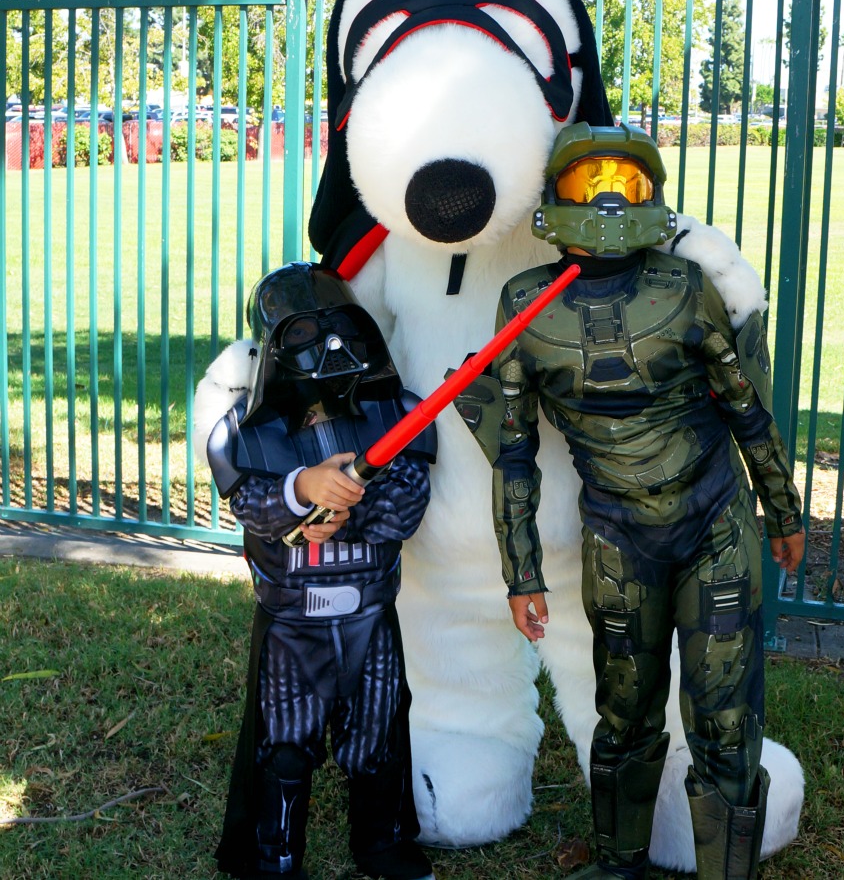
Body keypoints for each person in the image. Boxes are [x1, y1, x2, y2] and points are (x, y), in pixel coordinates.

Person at [455, 123, 805, 880]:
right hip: (619, 535)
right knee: (626, 712)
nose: (608, 198)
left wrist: (782, 510)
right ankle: (618, 865)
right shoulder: (522, 306)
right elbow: (512, 451)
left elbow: (746, 407)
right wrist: (522, 573)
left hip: (714, 521)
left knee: (724, 719)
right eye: (588, 183)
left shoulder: (685, 290)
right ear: (556, 197)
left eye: (626, 181)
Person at [205, 261, 437, 880]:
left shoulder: (398, 413)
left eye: (338, 330)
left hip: (368, 613)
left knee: (379, 733)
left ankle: (383, 842)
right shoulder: (243, 434)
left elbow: (406, 506)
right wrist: (300, 486)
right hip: (291, 623)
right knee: (285, 745)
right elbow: (252, 506)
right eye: (305, 336)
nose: (328, 351)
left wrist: (347, 509)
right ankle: (274, 853)